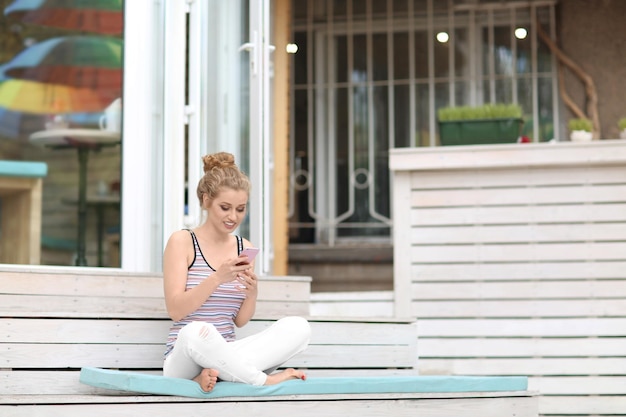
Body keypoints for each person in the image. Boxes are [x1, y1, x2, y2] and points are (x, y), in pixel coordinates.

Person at [162, 152, 311, 392]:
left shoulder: (245, 248)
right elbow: (175, 310)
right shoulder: (182, 241)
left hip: (226, 354)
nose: (233, 217)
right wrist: (217, 278)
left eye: (240, 209)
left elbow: (240, 321)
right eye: (225, 207)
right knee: (197, 331)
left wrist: (252, 294)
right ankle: (264, 381)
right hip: (185, 356)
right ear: (206, 200)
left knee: (298, 328)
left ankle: (217, 377)